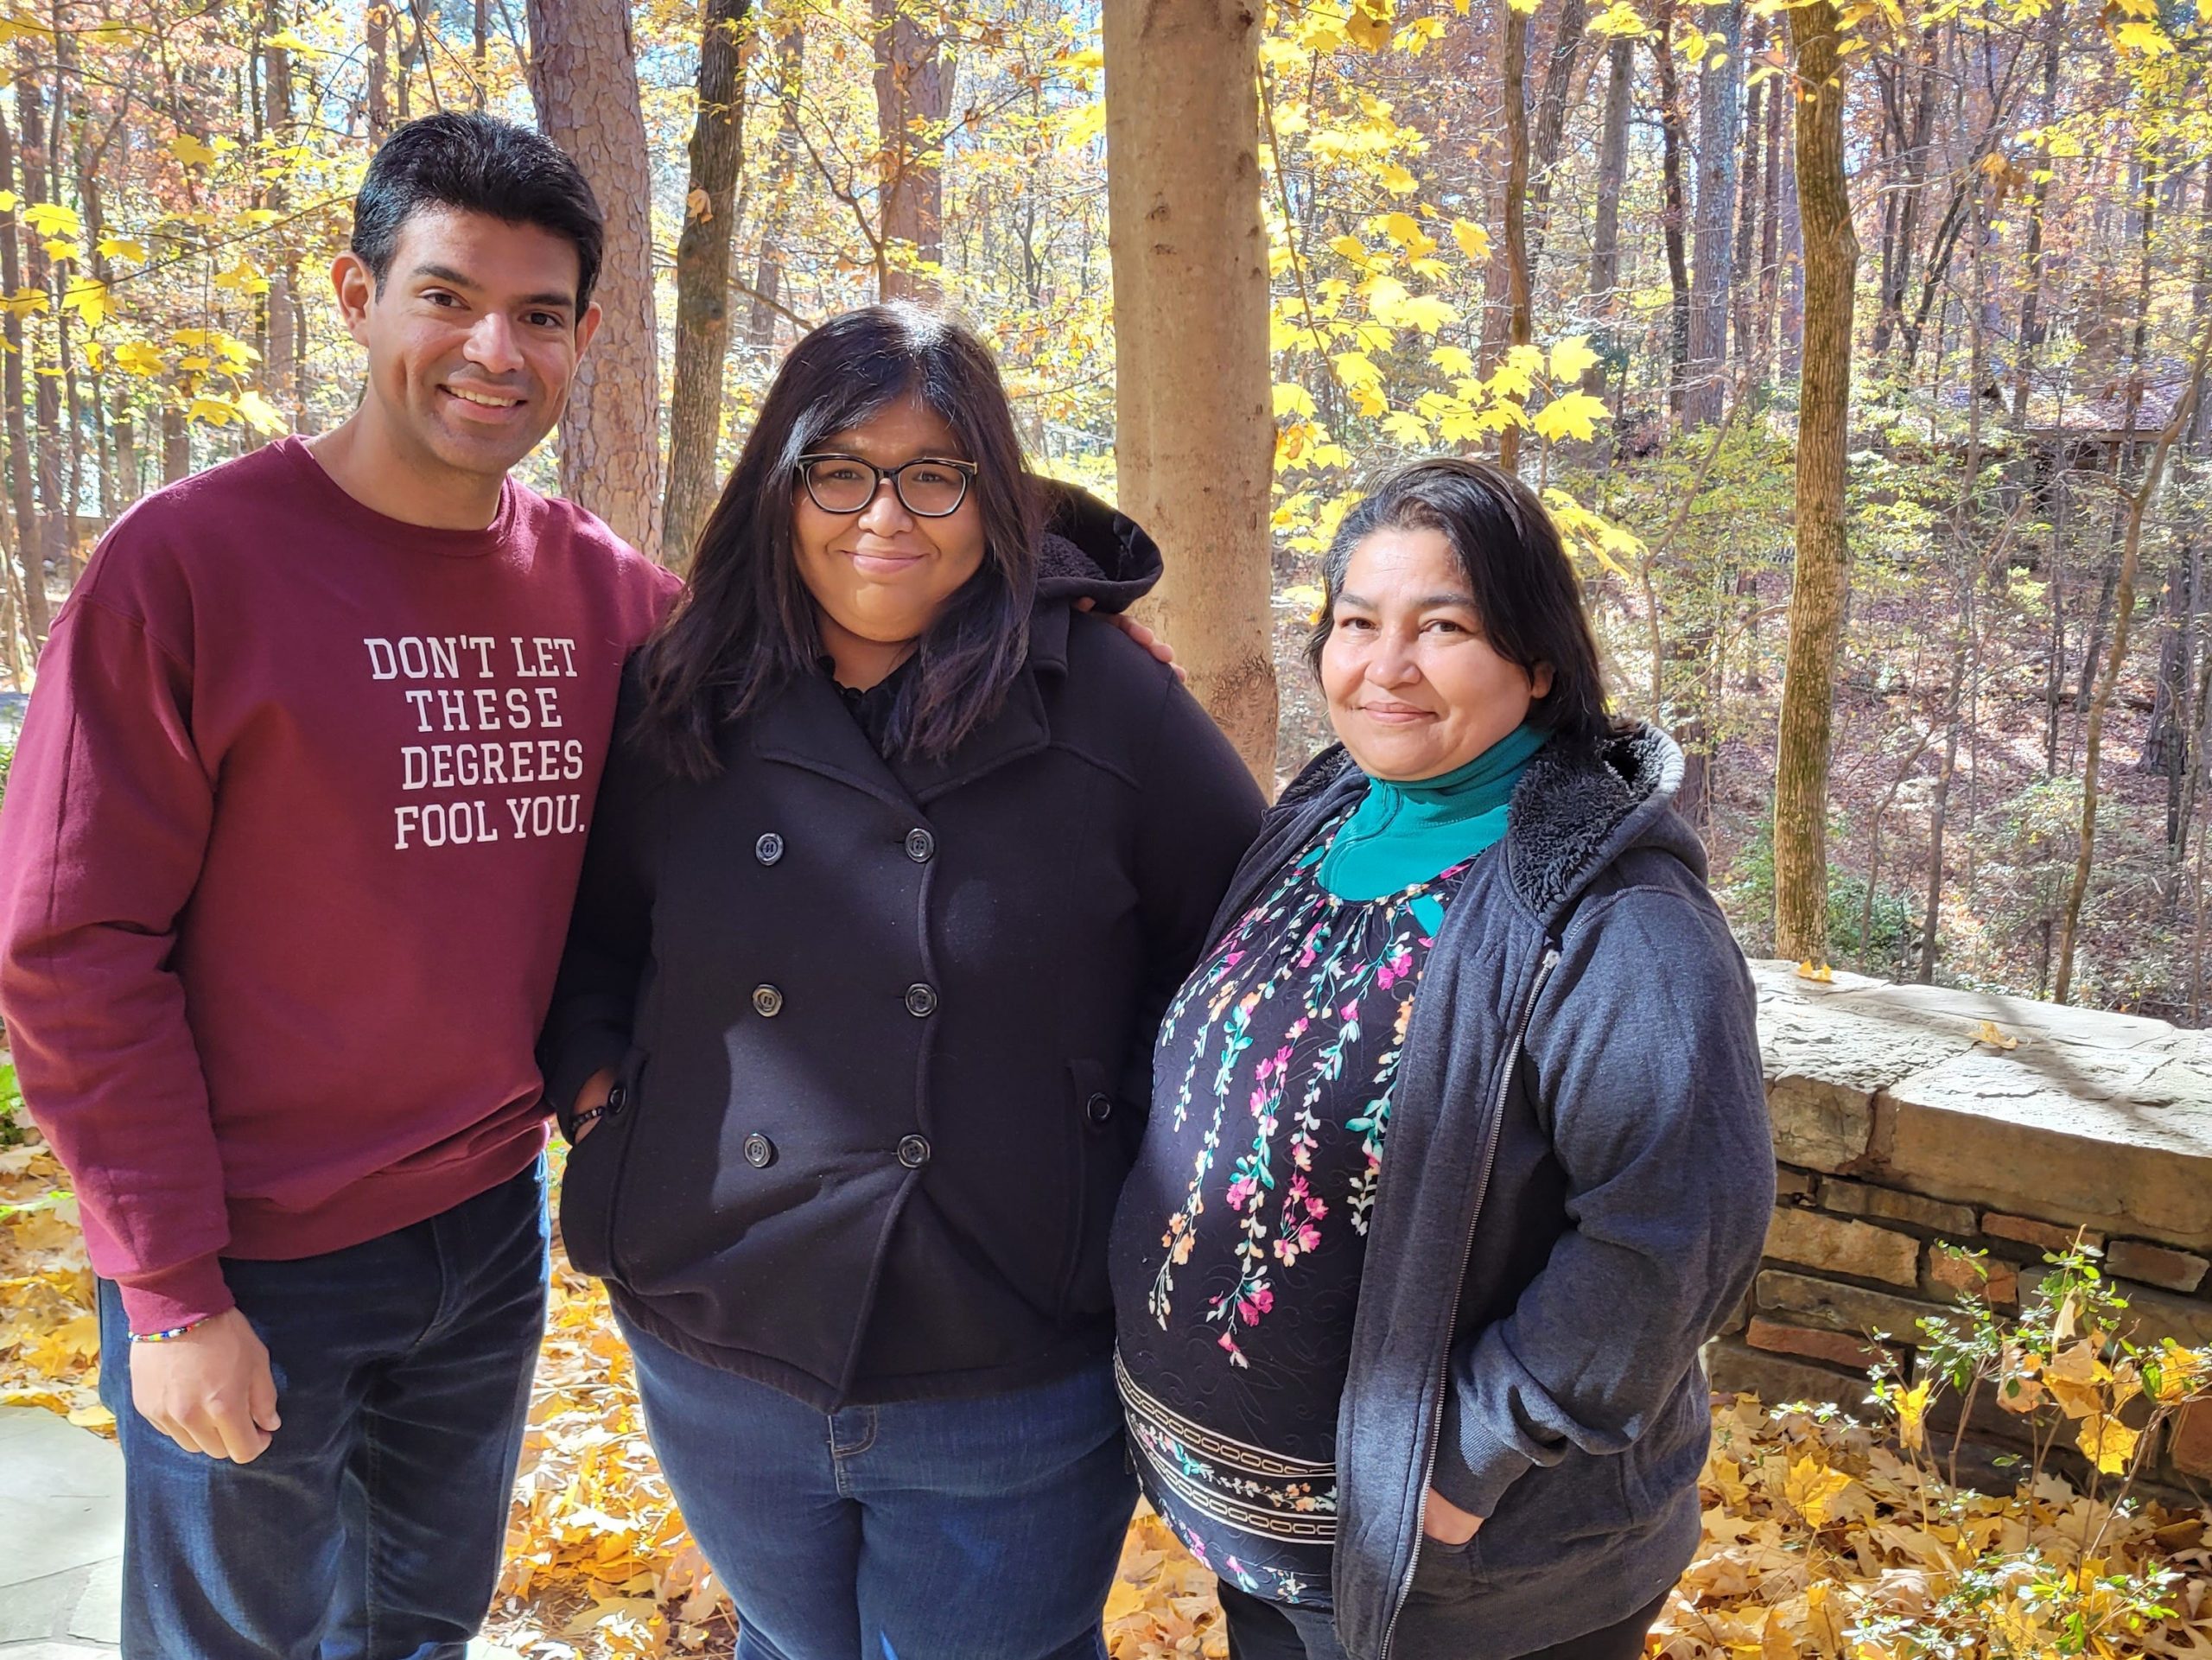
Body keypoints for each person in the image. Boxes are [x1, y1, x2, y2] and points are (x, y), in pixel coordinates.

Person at [0, 113, 682, 1658]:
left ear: (581, 334)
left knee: (419, 1629)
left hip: (486, 1234)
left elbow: (808, 698)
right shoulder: (186, 568)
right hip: (248, 1247)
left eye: (542, 313)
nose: (493, 349)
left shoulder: (607, 593)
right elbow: (69, 945)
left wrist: (1054, 617)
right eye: (446, 294)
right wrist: (168, 1289)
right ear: (354, 292)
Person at [537, 302, 1265, 1660]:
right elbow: (595, 938)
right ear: (784, 484)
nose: (888, 515)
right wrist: (602, 1115)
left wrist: (1125, 1167)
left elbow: (1242, 974)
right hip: (721, 1335)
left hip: (1008, 1358)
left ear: (996, 494)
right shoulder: (688, 688)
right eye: (842, 470)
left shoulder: (1109, 701)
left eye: (936, 473)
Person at [1109, 457, 1773, 1660]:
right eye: (1357, 622)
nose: (1386, 665)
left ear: (1539, 661)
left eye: (1445, 627)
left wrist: (1466, 1460)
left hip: (1467, 1583)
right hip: (1271, 1557)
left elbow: (1675, 1236)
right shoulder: (1324, 812)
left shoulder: (1617, 922)